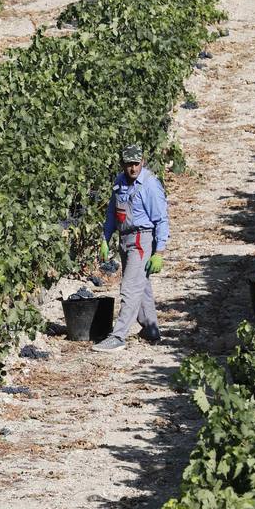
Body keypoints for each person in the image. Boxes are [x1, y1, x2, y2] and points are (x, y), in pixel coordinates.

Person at [93, 143, 169, 352]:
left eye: (136, 164)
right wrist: (105, 238)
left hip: (141, 240)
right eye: (129, 164)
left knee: (129, 287)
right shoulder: (120, 182)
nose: (133, 168)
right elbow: (112, 213)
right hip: (124, 239)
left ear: (142, 162)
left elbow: (161, 219)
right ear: (123, 164)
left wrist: (159, 252)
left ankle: (118, 336)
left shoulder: (150, 184)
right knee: (141, 286)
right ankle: (150, 329)